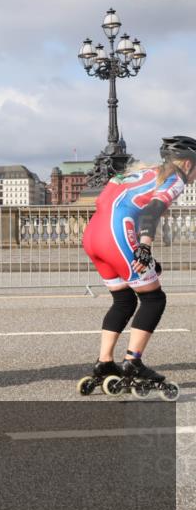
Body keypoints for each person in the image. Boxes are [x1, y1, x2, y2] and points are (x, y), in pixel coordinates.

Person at [79, 135, 196, 400]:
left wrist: (144, 255)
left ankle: (104, 362)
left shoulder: (141, 172)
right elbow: (153, 210)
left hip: (94, 234)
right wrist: (144, 247)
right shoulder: (174, 177)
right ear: (188, 164)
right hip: (118, 233)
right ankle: (133, 362)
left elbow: (111, 199)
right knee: (154, 298)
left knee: (123, 300)